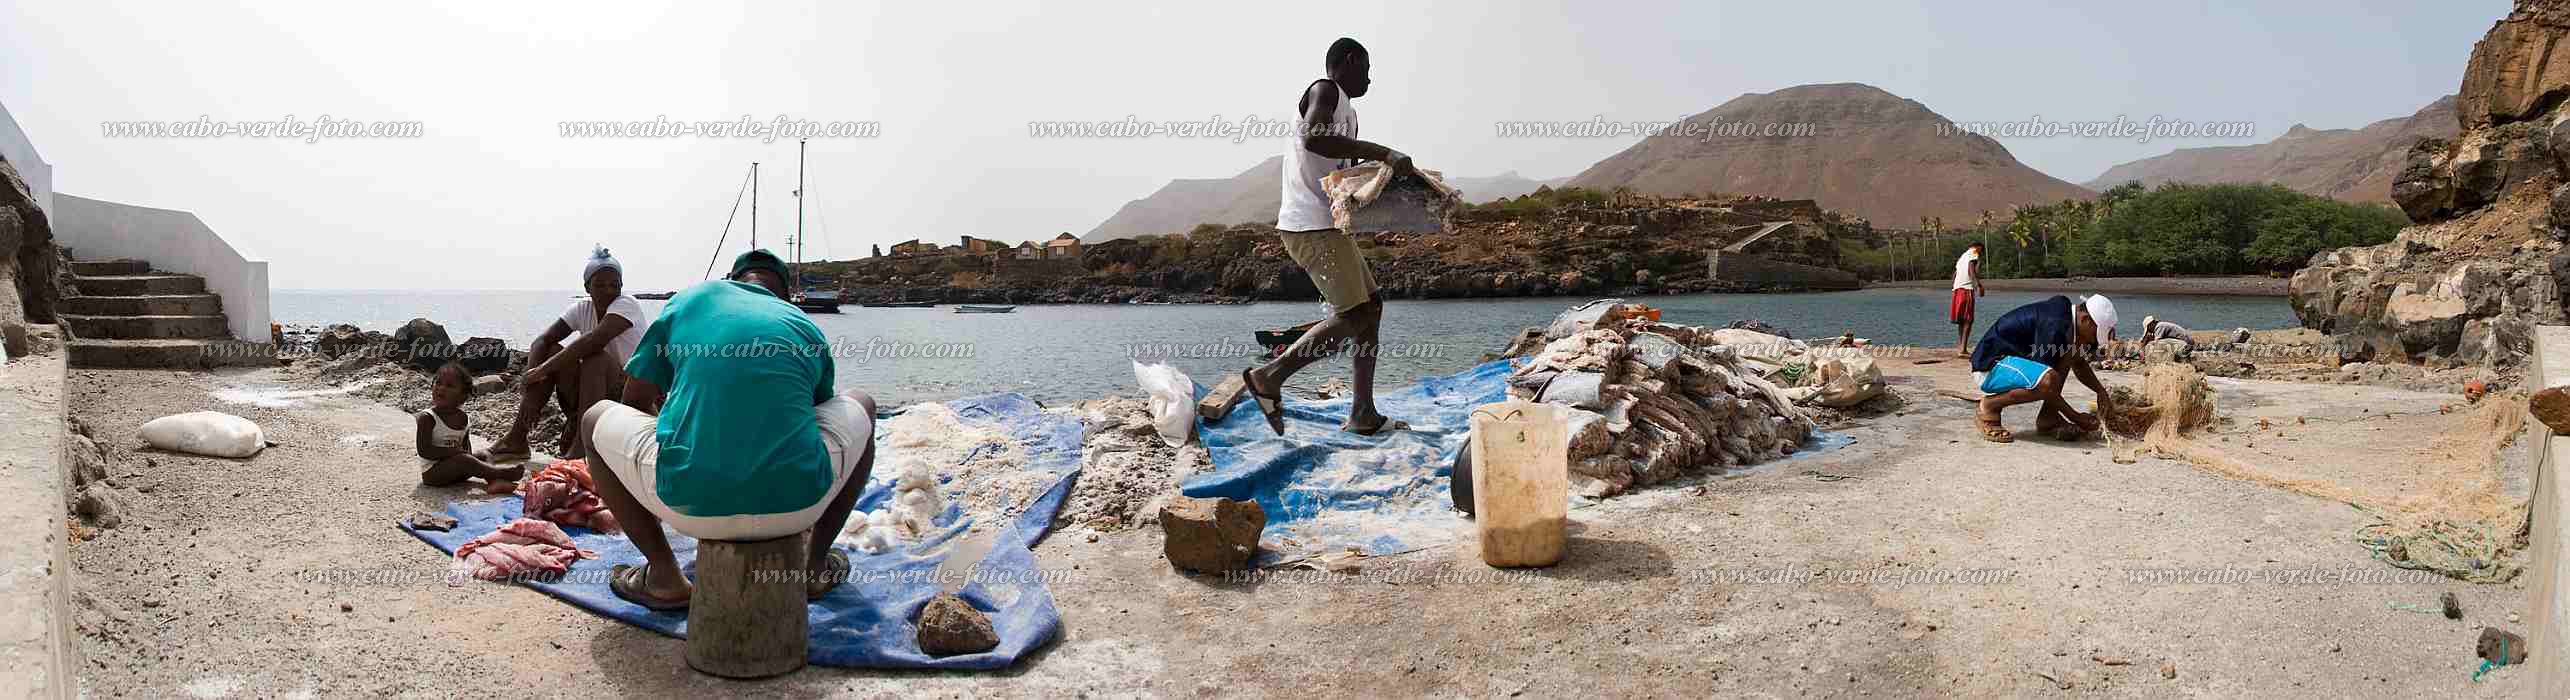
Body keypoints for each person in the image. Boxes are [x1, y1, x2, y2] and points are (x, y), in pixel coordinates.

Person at [582, 249, 874, 609]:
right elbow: (812, 416)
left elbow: (635, 401)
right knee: (865, 403)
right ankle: (813, 568)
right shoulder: (802, 323)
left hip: (688, 503)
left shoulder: (689, 299)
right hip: (799, 503)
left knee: (594, 419)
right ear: (780, 294)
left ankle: (663, 575)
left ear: (733, 281)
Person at [1239, 36, 1417, 437]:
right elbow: (1314, 137)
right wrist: (1385, 152)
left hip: (1328, 224)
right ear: (1349, 60)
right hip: (1309, 225)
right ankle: (1270, 377)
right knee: (1353, 314)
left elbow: (1342, 175)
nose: (1370, 80)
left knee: (1370, 307)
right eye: (1367, 69)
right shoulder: (1326, 90)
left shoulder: (1349, 113)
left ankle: (1362, 413)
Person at [489, 246, 651, 461]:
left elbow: (594, 340)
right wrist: (530, 389)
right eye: (600, 285)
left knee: (595, 357)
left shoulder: (626, 305)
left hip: (627, 394)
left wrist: (542, 370)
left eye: (615, 285)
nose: (609, 290)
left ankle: (582, 449)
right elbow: (542, 341)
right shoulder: (582, 308)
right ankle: (517, 439)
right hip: (591, 394)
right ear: (587, 287)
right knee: (552, 349)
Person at [1969, 294, 2119, 443]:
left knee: (2067, 356)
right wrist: (2076, 417)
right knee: (2048, 379)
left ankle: (2049, 417)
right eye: (2094, 336)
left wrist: (2101, 392)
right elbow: (2046, 386)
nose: (2092, 341)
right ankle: (1989, 406)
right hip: (1990, 367)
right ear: (2085, 319)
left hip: (2009, 362)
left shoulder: (2066, 318)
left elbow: (2078, 362)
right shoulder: (2054, 325)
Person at [417, 361, 526, 489]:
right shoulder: (428, 418)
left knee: (485, 454)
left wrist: (466, 457)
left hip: (458, 469)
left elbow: (466, 449)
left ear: (463, 397)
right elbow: (424, 451)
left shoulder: (463, 418)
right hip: (434, 474)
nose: (441, 388)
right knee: (463, 459)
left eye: (449, 385)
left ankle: (494, 481)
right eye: (438, 383)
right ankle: (501, 473)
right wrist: (455, 453)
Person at [1950, 242, 1984, 358]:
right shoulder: (1974, 253)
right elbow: (1971, 268)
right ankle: (1963, 350)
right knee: (1968, 320)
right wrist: (1977, 285)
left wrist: (1954, 287)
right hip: (1966, 289)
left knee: (1961, 320)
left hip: (1957, 289)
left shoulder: (1962, 257)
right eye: (1981, 251)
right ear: (1978, 248)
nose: (1981, 253)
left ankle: (1962, 347)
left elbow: (1954, 274)